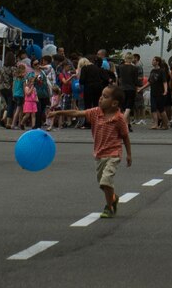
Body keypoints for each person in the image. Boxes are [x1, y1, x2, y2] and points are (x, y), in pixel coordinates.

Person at [55, 88, 134, 218]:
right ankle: (113, 198)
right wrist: (59, 112)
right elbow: (76, 112)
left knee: (106, 181)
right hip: (99, 154)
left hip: (114, 154)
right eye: (101, 95)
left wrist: (129, 155)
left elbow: (125, 136)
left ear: (114, 103)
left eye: (105, 96)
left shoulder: (119, 119)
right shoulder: (96, 113)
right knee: (102, 184)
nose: (100, 98)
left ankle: (109, 207)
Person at [115, 52, 142, 127]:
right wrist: (138, 87)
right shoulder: (135, 68)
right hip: (131, 88)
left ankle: (128, 123)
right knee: (129, 106)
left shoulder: (119, 67)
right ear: (132, 59)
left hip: (122, 88)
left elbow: (118, 78)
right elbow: (136, 80)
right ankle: (123, 122)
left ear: (125, 58)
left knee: (123, 106)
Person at [149, 56, 171, 130]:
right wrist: (141, 88)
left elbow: (164, 82)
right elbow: (150, 82)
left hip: (160, 92)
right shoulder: (152, 71)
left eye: (154, 60)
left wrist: (165, 90)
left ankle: (166, 123)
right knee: (153, 108)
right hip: (153, 92)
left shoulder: (161, 71)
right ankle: (155, 124)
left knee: (161, 109)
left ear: (157, 62)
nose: (152, 61)